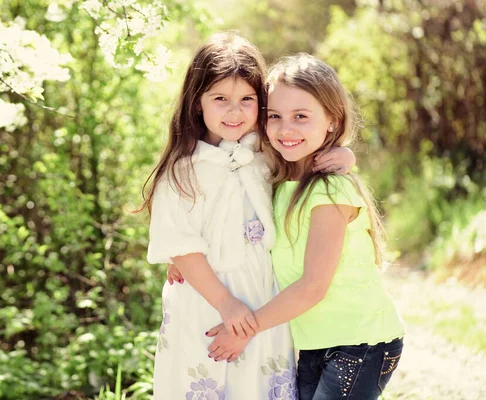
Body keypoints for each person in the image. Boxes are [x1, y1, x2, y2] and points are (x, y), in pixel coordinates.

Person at [140, 33, 355, 399]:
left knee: (256, 385)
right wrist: (225, 303)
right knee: (203, 380)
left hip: (262, 298)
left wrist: (346, 157)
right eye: (220, 99)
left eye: (247, 100)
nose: (234, 111)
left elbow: (309, 159)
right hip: (206, 299)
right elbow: (181, 246)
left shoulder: (265, 155)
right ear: (197, 103)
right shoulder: (182, 173)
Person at [205, 54, 405, 400]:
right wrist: (185, 252)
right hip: (316, 341)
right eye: (275, 117)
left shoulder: (329, 190)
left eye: (301, 116)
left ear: (332, 120)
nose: (286, 129)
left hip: (360, 341)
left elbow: (313, 286)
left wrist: (244, 330)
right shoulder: (276, 181)